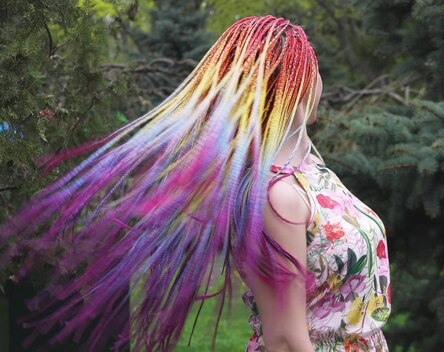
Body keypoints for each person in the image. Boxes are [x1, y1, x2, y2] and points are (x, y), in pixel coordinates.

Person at [0, 15, 391, 352]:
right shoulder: (278, 196)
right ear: (300, 84)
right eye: (313, 67)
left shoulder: (309, 168)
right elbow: (286, 341)